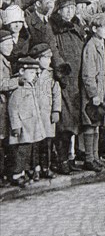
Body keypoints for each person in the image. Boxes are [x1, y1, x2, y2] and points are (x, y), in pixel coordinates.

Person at [49, 0, 86, 175]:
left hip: (77, 81)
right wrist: (61, 73)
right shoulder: (54, 28)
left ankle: (70, 158)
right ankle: (61, 159)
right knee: (64, 122)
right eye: (66, 8)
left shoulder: (76, 27)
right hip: (64, 80)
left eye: (72, 7)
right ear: (59, 9)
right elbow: (54, 52)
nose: (70, 11)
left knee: (74, 121)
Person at [80, 14, 105, 172]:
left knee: (97, 125)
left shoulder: (100, 43)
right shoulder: (91, 46)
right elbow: (88, 74)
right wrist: (94, 94)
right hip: (92, 95)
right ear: (94, 29)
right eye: (103, 27)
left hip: (100, 92)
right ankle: (89, 158)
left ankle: (96, 157)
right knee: (90, 125)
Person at [8, 57, 45, 187]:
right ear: (22, 71)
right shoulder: (18, 87)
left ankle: (26, 172)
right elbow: (13, 108)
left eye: (34, 73)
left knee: (28, 151)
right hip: (22, 127)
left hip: (31, 126)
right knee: (20, 152)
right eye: (31, 72)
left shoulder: (30, 85)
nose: (33, 75)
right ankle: (17, 174)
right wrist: (16, 125)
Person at [31, 43, 60, 179]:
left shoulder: (52, 74)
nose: (49, 61)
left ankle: (45, 167)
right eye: (46, 58)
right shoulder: (31, 74)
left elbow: (56, 94)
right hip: (34, 116)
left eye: (50, 59)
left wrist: (56, 111)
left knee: (47, 143)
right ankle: (35, 169)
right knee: (35, 144)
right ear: (37, 59)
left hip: (47, 115)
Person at [0, 30, 19, 186]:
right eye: (5, 44)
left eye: (10, 44)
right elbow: (1, 84)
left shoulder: (5, 60)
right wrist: (17, 82)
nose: (9, 47)